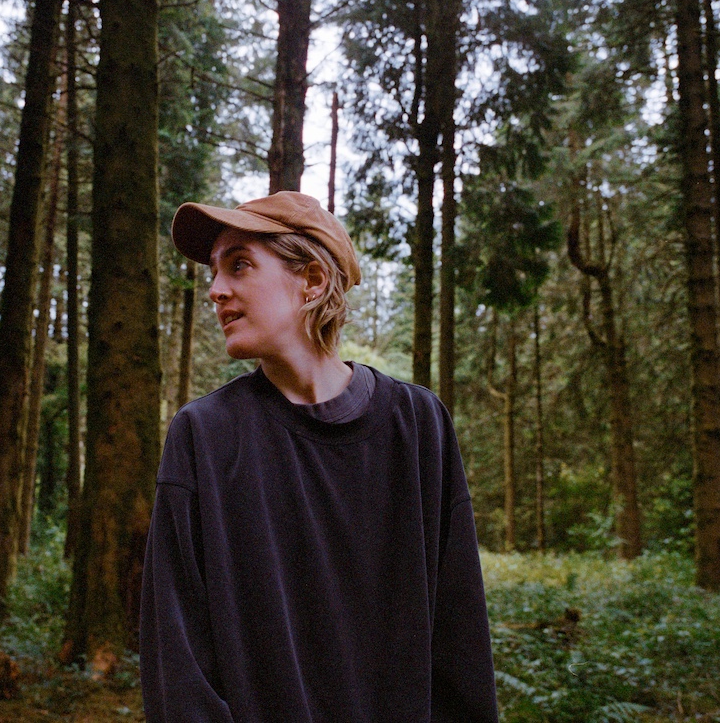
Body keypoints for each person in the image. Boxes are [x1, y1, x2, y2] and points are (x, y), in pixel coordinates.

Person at [140, 190, 498, 722]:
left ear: (311, 280)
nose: (215, 290)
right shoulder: (205, 436)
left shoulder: (418, 424)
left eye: (239, 265)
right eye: (214, 272)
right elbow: (179, 664)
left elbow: (461, 639)